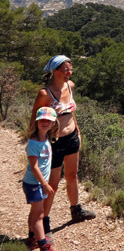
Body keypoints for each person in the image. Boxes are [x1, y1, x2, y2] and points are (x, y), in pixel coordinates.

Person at [31, 55, 96, 237]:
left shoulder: (70, 86)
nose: (69, 73)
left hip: (72, 136)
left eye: (70, 69)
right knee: (52, 183)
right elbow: (35, 116)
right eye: (65, 69)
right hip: (54, 141)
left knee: (72, 175)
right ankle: (44, 221)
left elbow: (70, 112)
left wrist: (79, 133)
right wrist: (35, 140)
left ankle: (76, 210)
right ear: (55, 71)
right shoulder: (45, 93)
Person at [23, 107, 63, 251]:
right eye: (42, 120)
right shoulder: (34, 143)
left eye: (49, 120)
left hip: (37, 183)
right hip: (34, 183)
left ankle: (32, 238)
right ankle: (44, 250)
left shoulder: (45, 138)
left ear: (54, 123)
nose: (45, 123)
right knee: (39, 215)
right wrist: (45, 184)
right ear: (37, 122)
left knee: (35, 212)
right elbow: (34, 167)